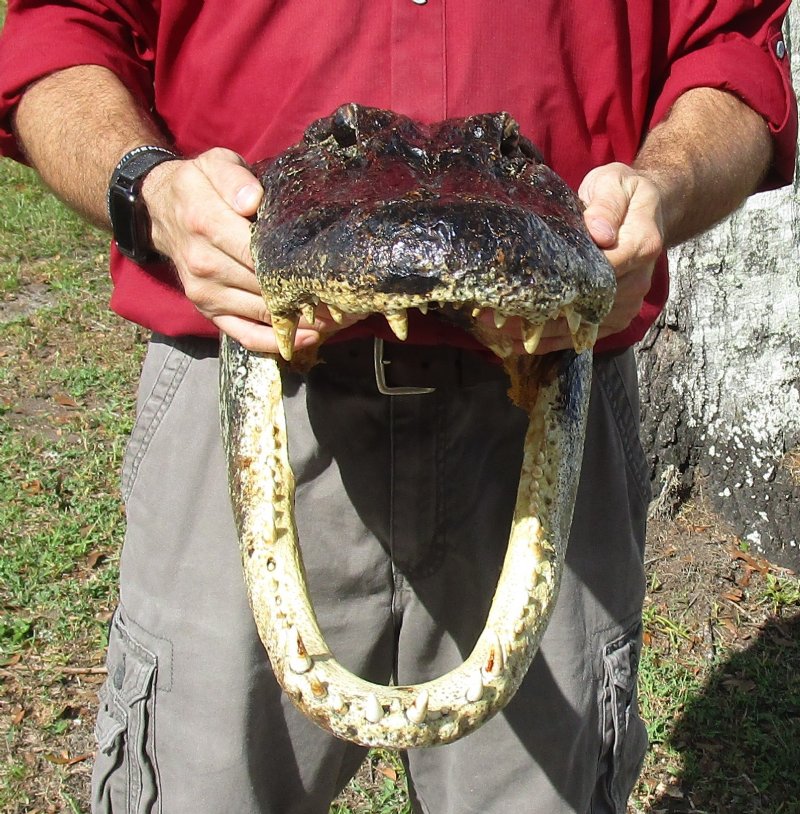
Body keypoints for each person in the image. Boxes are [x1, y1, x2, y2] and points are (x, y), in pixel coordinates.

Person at [0, 3, 795, 812]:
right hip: (249, 373)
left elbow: (728, 49)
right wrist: (149, 188)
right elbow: (66, 31)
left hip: (544, 383)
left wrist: (664, 188)